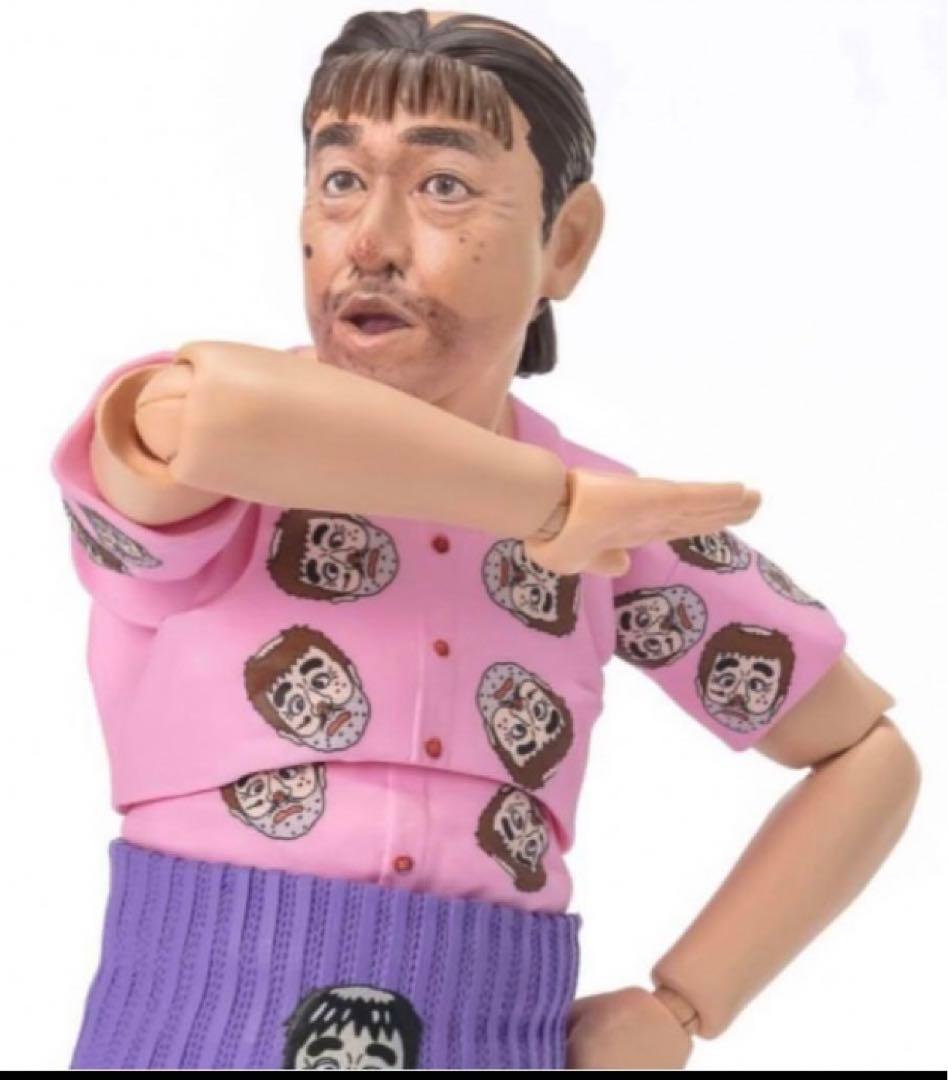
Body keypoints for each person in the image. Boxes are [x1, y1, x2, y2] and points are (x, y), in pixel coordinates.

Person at [51, 9, 920, 1070]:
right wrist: (548, 503)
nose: (369, 241)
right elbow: (210, 412)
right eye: (340, 181)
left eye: (443, 186)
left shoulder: (617, 530)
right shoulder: (208, 464)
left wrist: (682, 1005)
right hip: (184, 1031)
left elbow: (863, 755)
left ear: (566, 242)